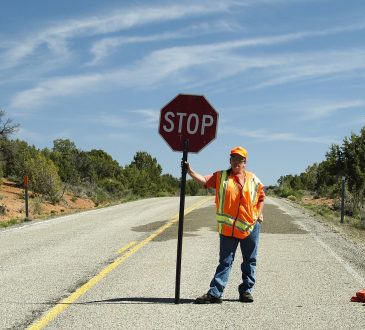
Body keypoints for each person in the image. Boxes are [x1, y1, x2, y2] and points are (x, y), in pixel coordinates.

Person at [185, 146, 265, 304]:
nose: (236, 162)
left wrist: (258, 213)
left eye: (240, 160)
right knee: (225, 261)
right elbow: (205, 180)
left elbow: (261, 197)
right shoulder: (221, 176)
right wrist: (190, 171)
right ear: (230, 160)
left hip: (250, 227)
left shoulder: (253, 179)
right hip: (228, 229)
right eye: (234, 158)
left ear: (245, 162)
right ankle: (215, 293)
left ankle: (246, 291)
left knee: (250, 260)